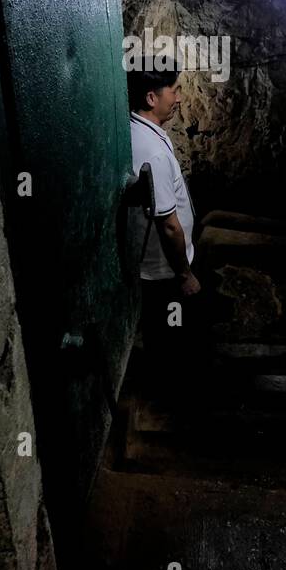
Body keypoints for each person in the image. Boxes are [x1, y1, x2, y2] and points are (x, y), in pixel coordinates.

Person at [128, 69, 203, 408]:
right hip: (165, 272)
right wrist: (184, 274)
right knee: (171, 337)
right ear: (151, 98)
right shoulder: (152, 152)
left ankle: (167, 391)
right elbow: (169, 225)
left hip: (160, 267)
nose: (180, 98)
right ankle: (172, 401)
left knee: (166, 335)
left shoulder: (142, 131)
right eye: (174, 90)